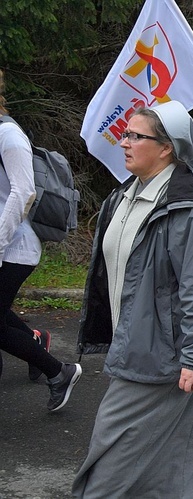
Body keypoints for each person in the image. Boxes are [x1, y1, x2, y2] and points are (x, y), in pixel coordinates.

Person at [72, 101, 193, 498]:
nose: (124, 143)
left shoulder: (190, 208)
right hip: (142, 343)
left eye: (135, 136)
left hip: (162, 357)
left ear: (166, 148)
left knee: (107, 467)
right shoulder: (124, 196)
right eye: (125, 134)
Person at [0, 68, 81, 411]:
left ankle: (58, 372)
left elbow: (24, 192)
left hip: (14, 249)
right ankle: (37, 341)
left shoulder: (8, 135)